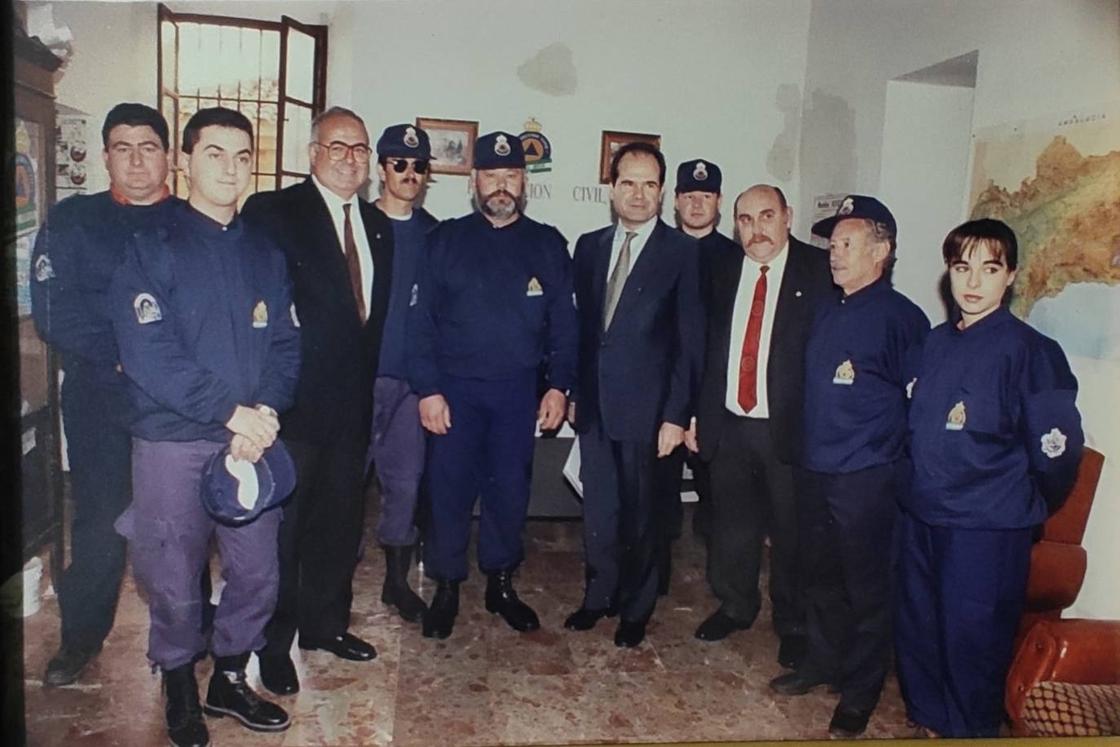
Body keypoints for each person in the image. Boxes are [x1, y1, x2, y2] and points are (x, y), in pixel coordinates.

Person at [110, 107, 300, 747]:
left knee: (258, 571)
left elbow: (285, 346)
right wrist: (229, 410)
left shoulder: (265, 253)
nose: (230, 168)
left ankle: (229, 677)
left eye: (242, 156)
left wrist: (264, 413)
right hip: (172, 439)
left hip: (250, 442)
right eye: (214, 154)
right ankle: (178, 685)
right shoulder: (150, 248)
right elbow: (150, 354)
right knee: (172, 574)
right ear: (186, 161)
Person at [895, 218, 1083, 738]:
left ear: (1011, 275)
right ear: (949, 273)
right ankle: (931, 722)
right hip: (922, 516)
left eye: (989, 268)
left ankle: (970, 733)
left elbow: (1056, 453)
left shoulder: (1031, 352)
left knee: (973, 643)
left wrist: (1019, 506)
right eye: (962, 268)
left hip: (985, 527)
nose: (973, 282)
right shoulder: (931, 344)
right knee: (919, 631)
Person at [241, 107, 392, 695]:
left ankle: (325, 626)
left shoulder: (377, 225)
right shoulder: (274, 212)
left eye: (359, 149)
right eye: (338, 147)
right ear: (312, 153)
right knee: (284, 534)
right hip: (292, 408)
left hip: (352, 409)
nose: (350, 159)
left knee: (339, 524)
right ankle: (273, 646)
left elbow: (367, 322)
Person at [30, 102, 181, 686]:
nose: (136, 161)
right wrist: (123, 352)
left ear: (169, 155)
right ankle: (79, 639)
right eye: (123, 148)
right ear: (105, 157)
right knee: (98, 521)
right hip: (99, 394)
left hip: (176, 400)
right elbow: (52, 311)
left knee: (181, 524)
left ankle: (183, 641)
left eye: (148, 147)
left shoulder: (192, 221)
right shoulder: (73, 220)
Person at [768, 195, 929, 738]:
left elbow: (918, 405)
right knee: (818, 578)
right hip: (815, 469)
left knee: (866, 590)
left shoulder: (903, 319)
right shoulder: (824, 308)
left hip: (866, 477)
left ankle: (860, 692)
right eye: (832, 243)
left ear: (881, 251)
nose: (834, 253)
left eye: (847, 243)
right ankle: (821, 662)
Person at [409, 131, 577, 640]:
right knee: (449, 491)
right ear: (474, 181)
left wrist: (559, 387)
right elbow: (420, 324)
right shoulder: (444, 241)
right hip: (454, 391)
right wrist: (428, 390)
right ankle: (446, 586)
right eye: (491, 176)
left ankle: (501, 583)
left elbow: (565, 325)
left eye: (511, 176)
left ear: (524, 183)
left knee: (509, 490)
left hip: (516, 392)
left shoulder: (547, 244)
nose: (501, 186)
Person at [565, 142, 704, 648]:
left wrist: (676, 415)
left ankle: (636, 608)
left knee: (643, 515)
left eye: (649, 184)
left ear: (662, 192)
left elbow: (691, 342)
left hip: (650, 413)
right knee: (599, 511)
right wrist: (577, 392)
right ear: (612, 188)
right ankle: (598, 594)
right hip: (595, 407)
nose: (638, 194)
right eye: (628, 182)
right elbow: (583, 331)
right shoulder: (589, 247)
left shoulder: (682, 253)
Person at [688, 184, 833, 669]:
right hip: (729, 422)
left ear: (787, 216)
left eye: (767, 216)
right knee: (732, 524)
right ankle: (735, 605)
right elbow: (704, 349)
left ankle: (792, 623)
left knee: (792, 532)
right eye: (746, 220)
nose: (757, 230)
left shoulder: (818, 272)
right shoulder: (721, 268)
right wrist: (697, 414)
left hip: (788, 427)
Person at [369, 123, 438, 623]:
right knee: (342, 489)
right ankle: (327, 589)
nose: (409, 173)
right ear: (381, 169)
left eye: (418, 166)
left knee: (405, 483)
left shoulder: (435, 234)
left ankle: (396, 582)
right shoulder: (357, 224)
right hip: (357, 380)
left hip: (411, 384)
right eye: (399, 164)